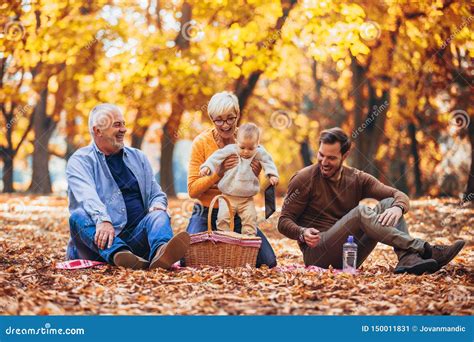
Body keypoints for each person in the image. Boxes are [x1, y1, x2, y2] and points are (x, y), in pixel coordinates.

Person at [278, 127, 465, 275]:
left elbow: (399, 195)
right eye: (321, 155)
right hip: (317, 253)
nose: (324, 162)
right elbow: (283, 221)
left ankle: (408, 259)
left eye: (331, 158)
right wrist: (301, 232)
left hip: (350, 254)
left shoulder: (357, 179)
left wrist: (398, 208)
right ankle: (424, 248)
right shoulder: (303, 179)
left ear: (345, 155)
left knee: (387, 204)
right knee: (361, 212)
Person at [66, 103, 190, 270]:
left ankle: (161, 253)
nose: (123, 129)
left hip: (138, 238)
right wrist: (103, 219)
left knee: (159, 214)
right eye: (117, 125)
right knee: (78, 216)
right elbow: (87, 196)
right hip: (101, 241)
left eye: (124, 124)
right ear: (97, 131)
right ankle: (120, 254)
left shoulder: (138, 157)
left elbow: (156, 194)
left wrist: (158, 206)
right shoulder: (81, 161)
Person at [187, 91, 277, 267]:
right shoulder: (201, 143)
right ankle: (222, 253)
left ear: (238, 115)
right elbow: (192, 190)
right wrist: (217, 173)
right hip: (206, 212)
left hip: (238, 213)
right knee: (188, 259)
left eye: (230, 118)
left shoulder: (248, 141)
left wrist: (258, 173)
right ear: (211, 119)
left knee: (268, 262)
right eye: (219, 120)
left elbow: (258, 175)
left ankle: (230, 253)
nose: (225, 125)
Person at [200, 122, 279, 235]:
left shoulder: (259, 152)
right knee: (223, 218)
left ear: (257, 144)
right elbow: (216, 157)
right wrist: (207, 167)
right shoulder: (231, 149)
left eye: (250, 148)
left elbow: (268, 161)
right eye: (242, 147)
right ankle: (224, 236)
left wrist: (272, 174)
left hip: (246, 199)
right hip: (228, 197)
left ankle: (248, 238)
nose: (246, 151)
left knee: (250, 219)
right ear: (236, 141)